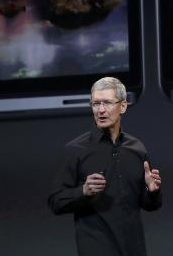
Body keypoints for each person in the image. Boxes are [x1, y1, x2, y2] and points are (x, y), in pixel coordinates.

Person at [48, 77, 162, 256]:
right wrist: (83, 191)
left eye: (107, 103)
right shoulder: (75, 150)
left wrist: (152, 191)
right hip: (97, 248)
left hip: (133, 249)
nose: (101, 110)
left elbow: (149, 205)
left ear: (123, 106)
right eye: (95, 104)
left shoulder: (137, 149)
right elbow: (56, 202)